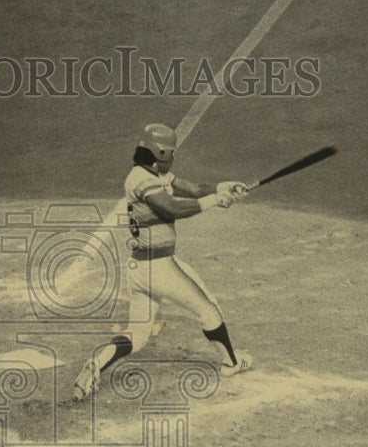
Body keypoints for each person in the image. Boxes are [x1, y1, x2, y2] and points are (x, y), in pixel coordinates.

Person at [73, 123, 253, 400]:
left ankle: (97, 363)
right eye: (171, 152)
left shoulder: (153, 172)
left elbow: (193, 189)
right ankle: (232, 363)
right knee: (209, 310)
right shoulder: (140, 180)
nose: (173, 157)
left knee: (138, 334)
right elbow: (172, 207)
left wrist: (223, 187)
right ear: (161, 151)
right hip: (160, 268)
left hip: (138, 269)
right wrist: (215, 201)